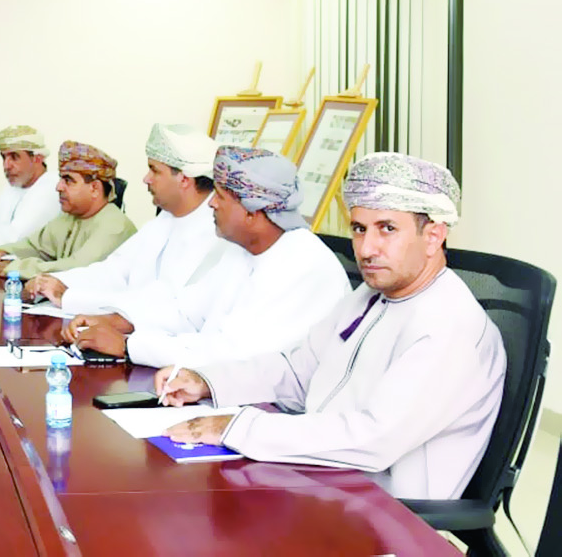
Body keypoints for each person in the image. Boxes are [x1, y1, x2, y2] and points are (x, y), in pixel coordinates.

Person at [157, 153, 505, 501]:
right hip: (320, 479)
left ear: (433, 236)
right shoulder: (370, 296)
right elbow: (298, 372)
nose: (366, 249)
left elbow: (373, 438)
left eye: (387, 229)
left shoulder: (449, 326)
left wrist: (239, 429)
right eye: (359, 229)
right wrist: (207, 381)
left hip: (383, 512)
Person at [62, 146, 348, 366]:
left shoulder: (304, 265)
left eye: (221, 196)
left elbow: (234, 355)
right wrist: (113, 321)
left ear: (253, 210)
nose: (211, 203)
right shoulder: (242, 249)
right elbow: (186, 311)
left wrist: (127, 346)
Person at [25, 124, 239, 328]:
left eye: (154, 170)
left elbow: (162, 303)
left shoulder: (217, 233)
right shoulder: (165, 219)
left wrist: (69, 297)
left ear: (184, 179)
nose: (146, 179)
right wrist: (54, 281)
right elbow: (114, 271)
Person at [0, 141, 136, 279]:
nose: (58, 187)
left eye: (68, 180)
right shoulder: (70, 217)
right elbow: (34, 246)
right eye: (61, 179)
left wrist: (12, 268)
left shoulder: (115, 226)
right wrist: (1, 253)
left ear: (95, 188)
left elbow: (74, 269)